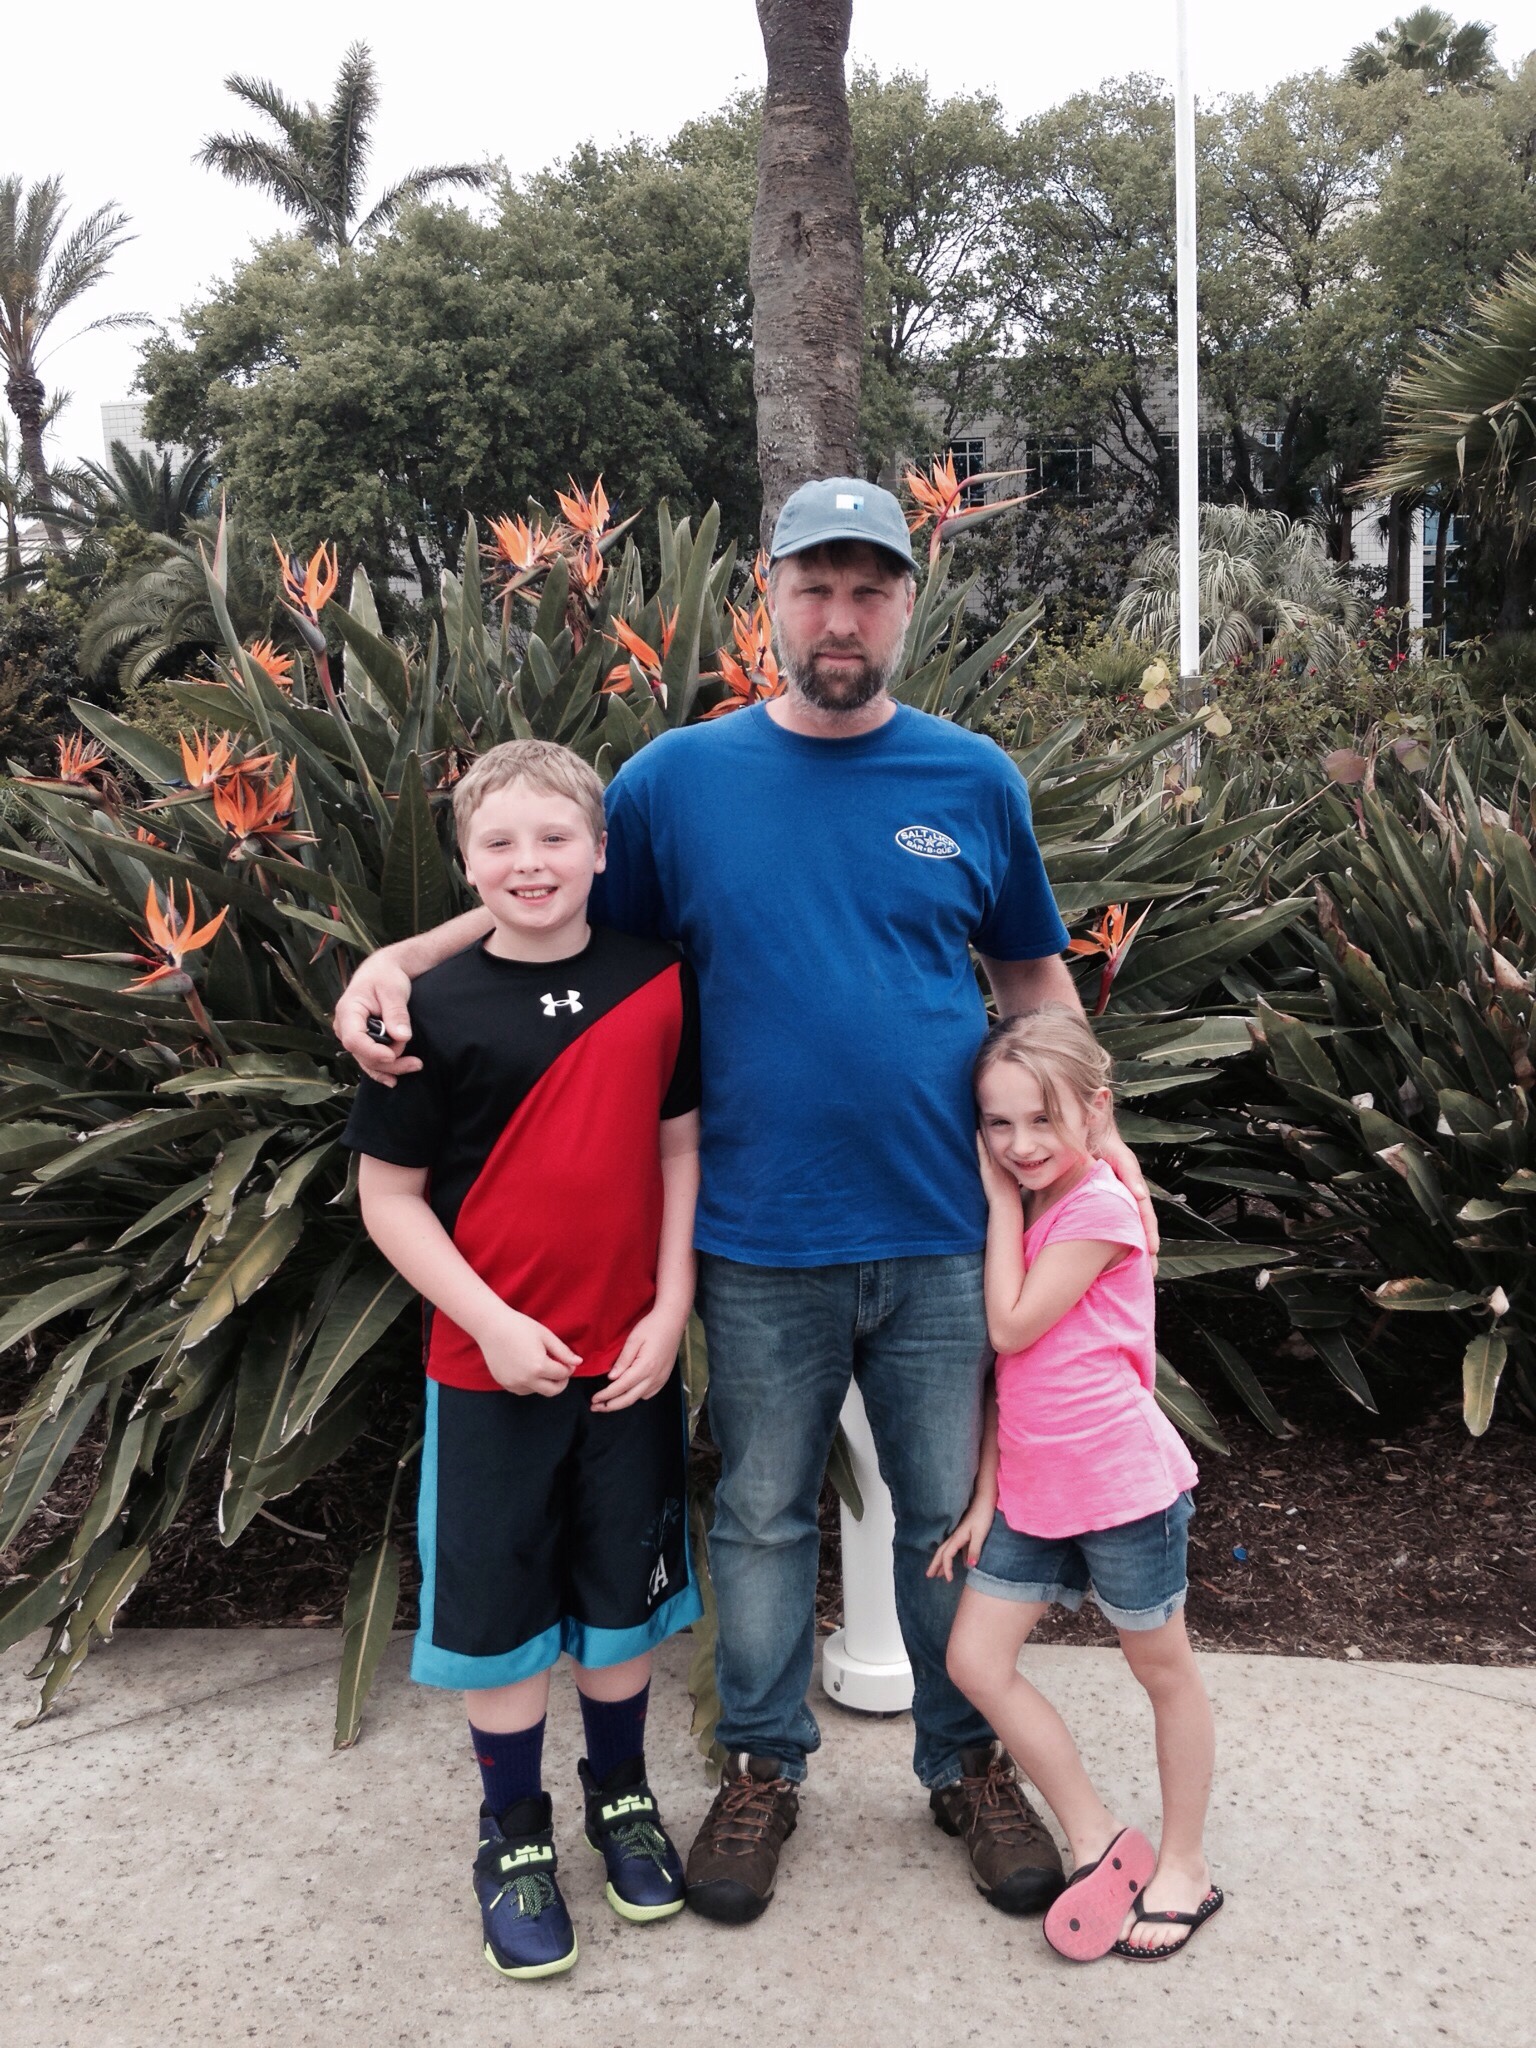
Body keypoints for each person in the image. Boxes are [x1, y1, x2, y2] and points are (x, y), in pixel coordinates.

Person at [333, 477, 1158, 1927]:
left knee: (941, 1514)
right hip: (759, 1234)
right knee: (763, 1514)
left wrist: (1097, 1132)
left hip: (944, 1229)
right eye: (813, 588)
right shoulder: (674, 782)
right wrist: (403, 956)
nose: (840, 617)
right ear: (766, 599)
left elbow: (1033, 974)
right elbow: (555, 899)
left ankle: (964, 1765)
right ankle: (762, 1765)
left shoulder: (972, 778)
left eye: (869, 590)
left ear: (906, 605)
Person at [343, 739, 703, 1981]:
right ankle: (513, 1831)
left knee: (622, 1596)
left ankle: (622, 1795)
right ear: (464, 862)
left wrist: (673, 1305)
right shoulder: (425, 1010)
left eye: (556, 837)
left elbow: (679, 1151)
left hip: (630, 1356)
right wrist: (490, 1319)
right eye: (498, 841)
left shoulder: (659, 976)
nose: (529, 862)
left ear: (602, 849)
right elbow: (389, 1198)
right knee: (497, 1610)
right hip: (484, 1365)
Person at [930, 1006, 1221, 1963]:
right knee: (977, 1660)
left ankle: (1185, 1866)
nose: (1018, 1146)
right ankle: (1097, 1837)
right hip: (1034, 1491)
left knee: (1162, 1671)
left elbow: (1010, 1327)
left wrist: (997, 1204)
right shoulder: (1040, 1200)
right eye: (997, 1123)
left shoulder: (1097, 1207)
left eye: (1041, 1120)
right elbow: (1005, 1379)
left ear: (1095, 1110)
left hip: (1122, 1488)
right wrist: (985, 1497)